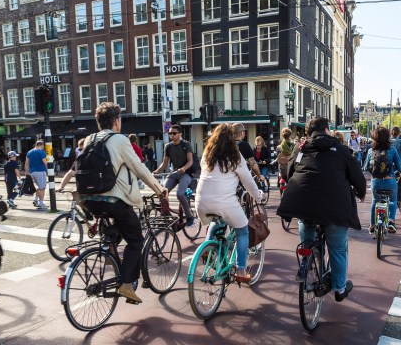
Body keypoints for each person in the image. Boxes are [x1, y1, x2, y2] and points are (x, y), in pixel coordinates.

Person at [79, 102, 165, 303]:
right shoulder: (119, 140)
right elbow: (139, 168)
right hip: (113, 201)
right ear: (117, 121)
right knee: (135, 239)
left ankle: (110, 254)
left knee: (116, 232)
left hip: (89, 200)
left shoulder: (90, 139)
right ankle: (126, 284)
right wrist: (159, 189)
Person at [276, 117, 366, 302]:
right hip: (334, 207)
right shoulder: (340, 150)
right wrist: (361, 192)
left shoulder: (300, 149)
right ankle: (339, 289)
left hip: (303, 203)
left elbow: (288, 173)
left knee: (305, 221)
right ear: (326, 130)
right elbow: (356, 174)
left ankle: (307, 256)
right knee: (338, 248)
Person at [196, 124, 263, 282]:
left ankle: (207, 246)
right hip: (224, 202)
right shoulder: (235, 156)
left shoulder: (207, 153)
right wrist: (258, 196)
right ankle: (241, 270)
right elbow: (248, 182)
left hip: (201, 202)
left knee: (216, 220)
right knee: (242, 231)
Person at [154, 124, 196, 228]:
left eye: (174, 133)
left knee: (180, 194)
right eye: (170, 133)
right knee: (162, 191)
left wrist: (184, 168)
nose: (171, 135)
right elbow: (164, 164)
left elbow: (190, 161)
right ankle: (166, 214)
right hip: (174, 173)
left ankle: (190, 217)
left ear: (180, 134)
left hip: (185, 174)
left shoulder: (186, 144)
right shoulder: (168, 146)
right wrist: (156, 172)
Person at [365, 127, 401, 234]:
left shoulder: (370, 150)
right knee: (392, 200)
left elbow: (365, 167)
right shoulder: (392, 150)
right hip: (390, 180)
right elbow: (399, 166)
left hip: (376, 182)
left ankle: (372, 224)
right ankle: (391, 221)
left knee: (374, 201)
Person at [25, 140, 48, 209]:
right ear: (41, 146)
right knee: (42, 188)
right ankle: (41, 203)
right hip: (40, 171)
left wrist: (27, 172)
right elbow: (45, 163)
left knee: (39, 186)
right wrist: (50, 170)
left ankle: (36, 199)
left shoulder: (29, 152)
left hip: (32, 172)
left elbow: (26, 163)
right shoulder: (42, 152)